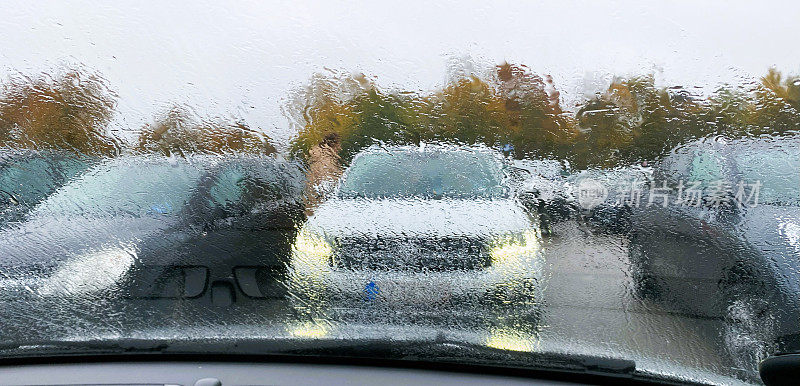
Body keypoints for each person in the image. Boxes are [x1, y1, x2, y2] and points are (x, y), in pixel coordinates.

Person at [304, 132, 343, 216]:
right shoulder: (329, 160)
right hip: (321, 189)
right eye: (339, 145)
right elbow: (334, 178)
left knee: (310, 209)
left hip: (310, 186)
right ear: (334, 144)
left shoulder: (314, 151)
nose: (340, 148)